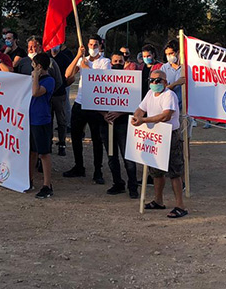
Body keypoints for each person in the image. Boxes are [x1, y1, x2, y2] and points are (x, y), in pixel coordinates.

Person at [134, 70, 186, 218]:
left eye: (158, 81)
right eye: (152, 80)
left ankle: (180, 205)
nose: (155, 83)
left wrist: (143, 120)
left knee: (174, 171)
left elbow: (166, 115)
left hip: (170, 135)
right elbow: (141, 108)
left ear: (165, 82)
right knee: (156, 171)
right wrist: (136, 116)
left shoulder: (169, 95)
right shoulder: (150, 94)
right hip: (154, 135)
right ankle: (158, 200)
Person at [62, 35, 111, 183]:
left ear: (100, 46)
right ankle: (79, 166)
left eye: (95, 45)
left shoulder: (105, 62)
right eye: (90, 45)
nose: (93, 48)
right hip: (80, 101)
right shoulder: (83, 60)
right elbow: (68, 74)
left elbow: (101, 81)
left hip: (95, 104)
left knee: (97, 138)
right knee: (76, 136)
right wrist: (78, 56)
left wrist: (87, 69)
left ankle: (98, 170)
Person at [104, 51, 139, 198]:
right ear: (110, 63)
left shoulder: (131, 81)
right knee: (112, 156)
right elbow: (94, 100)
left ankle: (133, 186)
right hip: (107, 124)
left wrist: (119, 113)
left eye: (120, 61)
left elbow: (136, 103)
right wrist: (104, 115)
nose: (117, 64)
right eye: (115, 61)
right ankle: (118, 183)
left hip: (124, 124)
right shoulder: (102, 80)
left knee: (128, 157)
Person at [29, 53, 56, 198]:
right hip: (31, 120)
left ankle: (47, 185)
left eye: (34, 65)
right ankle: (29, 179)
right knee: (32, 152)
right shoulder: (34, 79)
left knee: (43, 153)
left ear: (39, 66)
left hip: (42, 120)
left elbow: (35, 92)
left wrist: (36, 77)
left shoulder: (49, 81)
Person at [49, 42, 75, 155]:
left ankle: (62, 144)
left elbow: (71, 77)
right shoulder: (46, 57)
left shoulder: (65, 58)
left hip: (60, 95)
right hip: (47, 95)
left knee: (62, 121)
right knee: (48, 121)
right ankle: (48, 143)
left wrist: (63, 86)